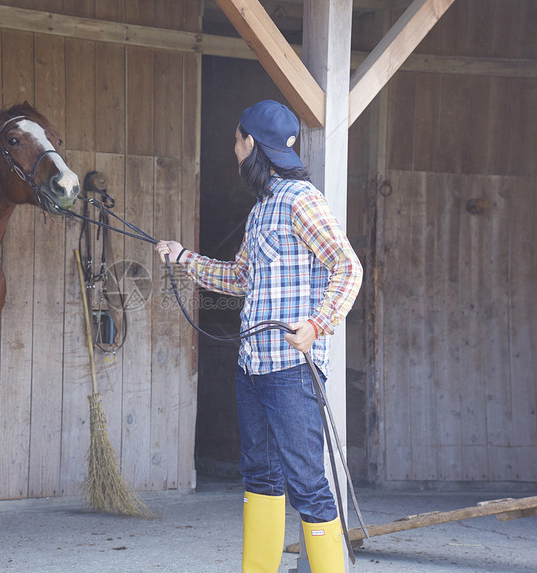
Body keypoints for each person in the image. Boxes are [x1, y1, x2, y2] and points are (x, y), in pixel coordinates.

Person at [156, 99, 363, 573]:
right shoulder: (262, 209)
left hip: (292, 370)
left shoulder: (301, 200)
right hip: (253, 367)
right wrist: (183, 256)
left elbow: (348, 268)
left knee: (308, 484)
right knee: (261, 478)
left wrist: (316, 325)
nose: (233, 149)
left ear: (252, 144)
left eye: (236, 140)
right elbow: (240, 279)